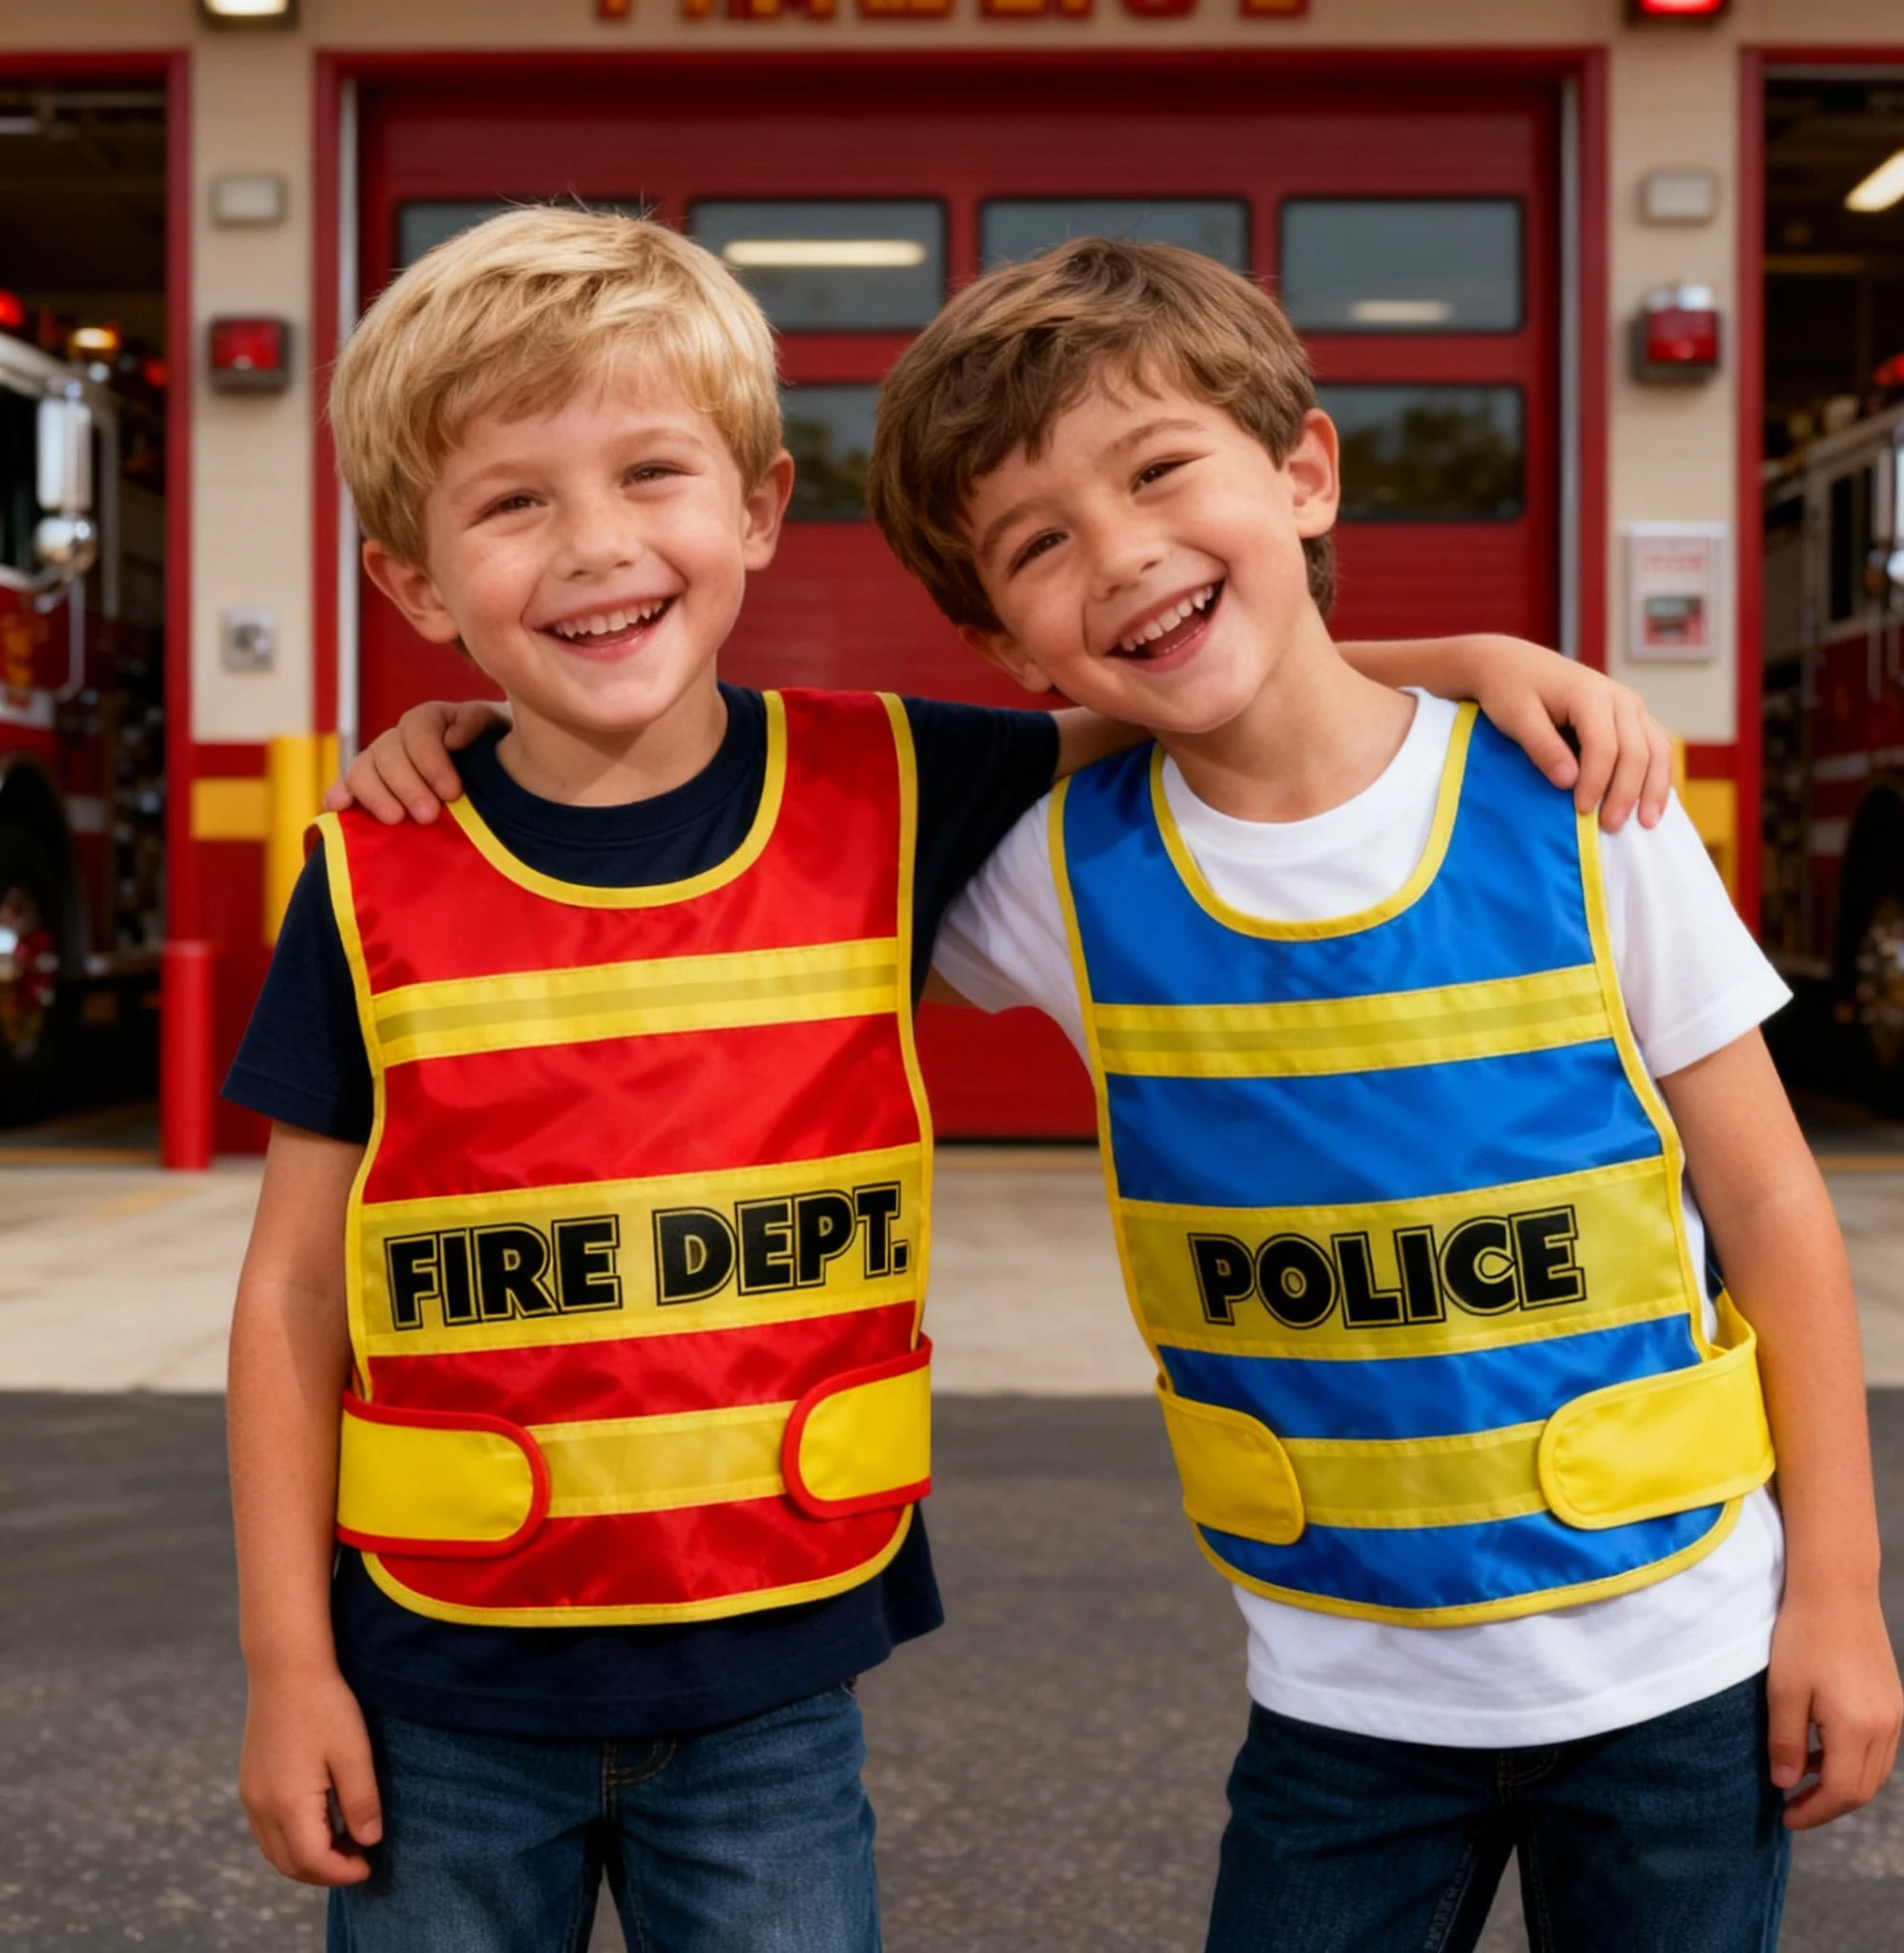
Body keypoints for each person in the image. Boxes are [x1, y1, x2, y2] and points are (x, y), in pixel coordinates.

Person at [268, 207, 1673, 1953]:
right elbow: (292, 1298)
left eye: (648, 474)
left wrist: (1472, 663)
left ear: (760, 507)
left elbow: (1200, 684)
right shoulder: (374, 869)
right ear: (412, 584)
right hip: (436, 1679)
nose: (597, 544)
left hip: (774, 1675)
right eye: (512, 505)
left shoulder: (889, 787)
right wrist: (286, 1666)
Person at [860, 236, 1904, 1951]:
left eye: (1160, 470)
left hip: (1680, 1667)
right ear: (1006, 644)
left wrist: (1842, 1597)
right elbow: (726, 830)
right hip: (1340, 1707)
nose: (1120, 554)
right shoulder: (1054, 875)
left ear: (1306, 472)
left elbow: (1775, 1206)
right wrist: (480, 740)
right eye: (1039, 544)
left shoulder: (1579, 800)